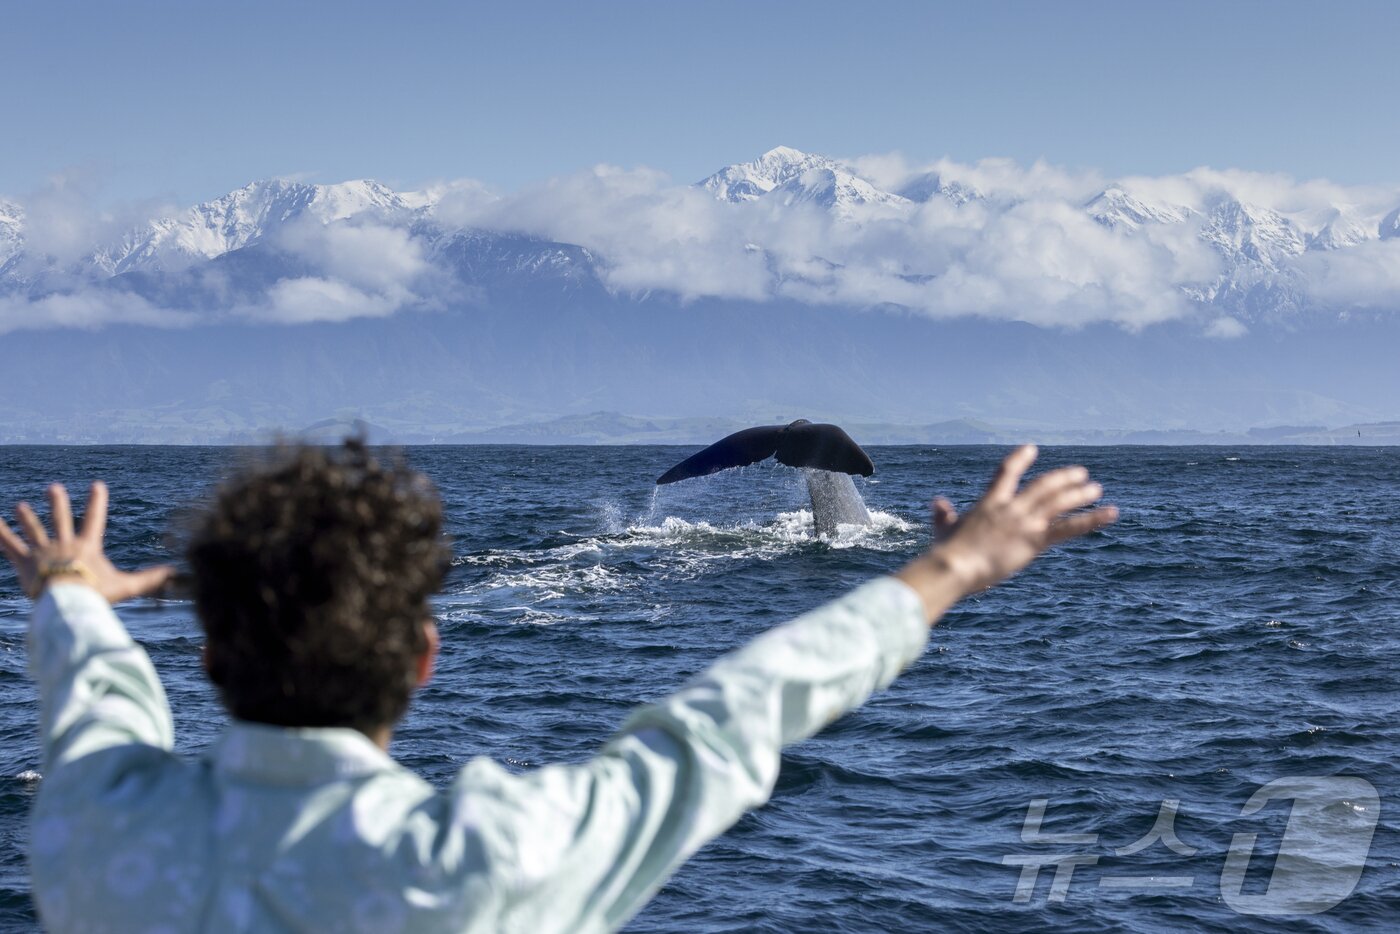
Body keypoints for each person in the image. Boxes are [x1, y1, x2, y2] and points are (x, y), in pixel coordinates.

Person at [1, 441, 1116, 933]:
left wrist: (71, 590)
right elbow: (732, 713)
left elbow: (98, 708)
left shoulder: (94, 827)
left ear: (204, 656)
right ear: (423, 655)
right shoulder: (485, 860)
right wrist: (956, 565)